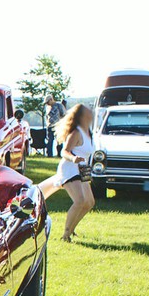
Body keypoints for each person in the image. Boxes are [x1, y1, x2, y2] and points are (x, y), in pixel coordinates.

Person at [37, 104, 96, 242]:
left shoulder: (89, 132)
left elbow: (86, 155)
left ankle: (72, 229)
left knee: (89, 202)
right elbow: (65, 151)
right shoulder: (76, 132)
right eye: (88, 114)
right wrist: (73, 158)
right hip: (70, 168)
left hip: (82, 169)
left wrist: (88, 174)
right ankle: (65, 235)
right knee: (80, 200)